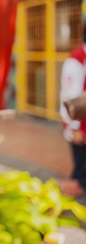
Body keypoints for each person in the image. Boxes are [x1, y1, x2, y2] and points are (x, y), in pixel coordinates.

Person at [59, 30, 86, 197]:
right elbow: (72, 96)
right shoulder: (76, 60)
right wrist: (75, 127)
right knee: (81, 170)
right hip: (79, 125)